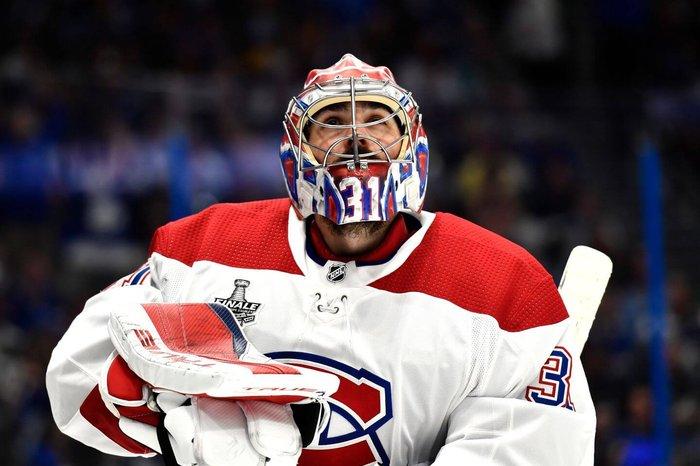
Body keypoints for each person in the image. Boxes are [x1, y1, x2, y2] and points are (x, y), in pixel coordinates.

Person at [47, 54, 596, 465]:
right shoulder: (204, 248)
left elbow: (545, 447)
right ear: (296, 151)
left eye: (378, 121)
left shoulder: (505, 288)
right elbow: (75, 376)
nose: (356, 140)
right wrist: (160, 412)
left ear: (414, 147)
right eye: (332, 122)